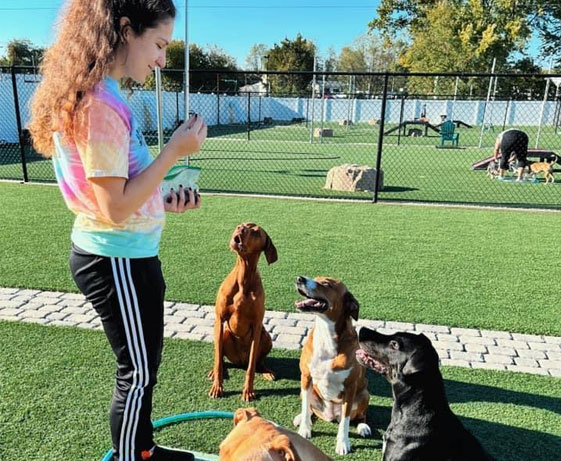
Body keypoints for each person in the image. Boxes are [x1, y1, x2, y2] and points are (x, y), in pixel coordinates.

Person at [29, 1, 207, 460]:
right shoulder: (102, 106)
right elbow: (112, 207)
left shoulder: (102, 95)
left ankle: (142, 449)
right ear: (127, 30)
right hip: (115, 258)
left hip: (125, 252)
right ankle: (132, 458)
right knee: (137, 372)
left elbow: (121, 190)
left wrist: (163, 198)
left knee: (143, 366)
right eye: (160, 44)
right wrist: (173, 151)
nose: (164, 59)